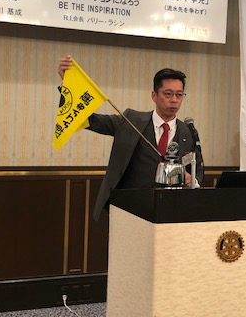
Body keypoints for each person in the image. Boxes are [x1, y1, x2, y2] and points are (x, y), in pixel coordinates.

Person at [58, 56, 204, 220]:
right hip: (130, 208)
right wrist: (68, 86)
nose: (174, 100)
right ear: (154, 96)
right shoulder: (131, 121)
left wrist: (192, 179)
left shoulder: (187, 132)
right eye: (168, 94)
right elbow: (91, 121)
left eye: (179, 95)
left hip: (170, 210)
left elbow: (197, 168)